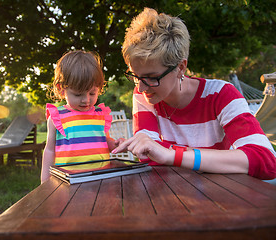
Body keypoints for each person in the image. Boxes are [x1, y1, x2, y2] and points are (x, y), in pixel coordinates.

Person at [112, 8, 276, 179]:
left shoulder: (221, 95)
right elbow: (149, 157)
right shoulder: (144, 95)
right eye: (136, 76)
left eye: (152, 78)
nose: (142, 88)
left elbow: (266, 161)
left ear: (181, 67)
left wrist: (171, 155)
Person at [41, 50, 116, 183]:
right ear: (61, 89)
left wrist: (115, 144)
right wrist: (45, 181)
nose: (86, 100)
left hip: (101, 178)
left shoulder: (100, 114)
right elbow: (49, 151)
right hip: (68, 181)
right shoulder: (57, 117)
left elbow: (105, 140)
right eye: (78, 94)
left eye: (92, 93)